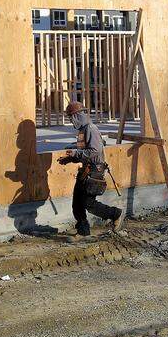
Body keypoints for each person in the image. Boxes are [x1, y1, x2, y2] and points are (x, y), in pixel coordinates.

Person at [58, 101, 124, 236]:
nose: (71, 121)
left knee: (89, 203)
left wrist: (75, 153)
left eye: (71, 117)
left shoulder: (90, 129)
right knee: (77, 203)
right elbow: (85, 153)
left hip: (94, 172)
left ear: (77, 115)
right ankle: (83, 232)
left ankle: (115, 214)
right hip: (85, 171)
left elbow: (94, 150)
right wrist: (70, 159)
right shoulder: (82, 131)